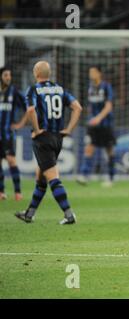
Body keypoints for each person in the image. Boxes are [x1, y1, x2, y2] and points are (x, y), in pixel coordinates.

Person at [15, 61, 82, 224]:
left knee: (52, 177)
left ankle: (69, 215)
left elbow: (30, 110)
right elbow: (78, 107)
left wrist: (37, 130)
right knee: (41, 177)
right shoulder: (60, 89)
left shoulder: (33, 89)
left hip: (43, 139)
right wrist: (68, 129)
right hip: (58, 138)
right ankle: (29, 214)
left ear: (35, 73)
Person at [77, 66, 116, 187]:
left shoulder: (106, 87)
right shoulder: (90, 88)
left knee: (109, 150)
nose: (91, 74)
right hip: (93, 125)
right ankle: (84, 175)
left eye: (93, 72)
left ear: (99, 73)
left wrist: (99, 118)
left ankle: (111, 178)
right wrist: (91, 117)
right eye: (90, 72)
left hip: (105, 124)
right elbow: (90, 106)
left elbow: (109, 106)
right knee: (89, 146)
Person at [0, 66, 27, 201]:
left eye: (9, 75)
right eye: (6, 75)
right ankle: (1, 192)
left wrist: (20, 124)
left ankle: (17, 191)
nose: (8, 77)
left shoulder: (14, 92)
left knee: (11, 161)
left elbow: (28, 108)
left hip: (7, 134)